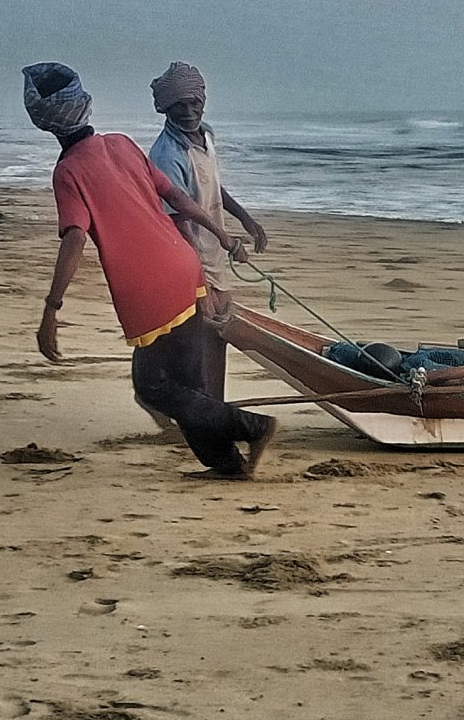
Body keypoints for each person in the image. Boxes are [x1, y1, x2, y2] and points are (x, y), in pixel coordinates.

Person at [23, 63, 277, 480]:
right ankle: (228, 464)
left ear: (43, 123)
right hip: (185, 265)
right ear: (84, 105)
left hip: (148, 284)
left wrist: (52, 309)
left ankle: (251, 426)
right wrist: (223, 234)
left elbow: (74, 239)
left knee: (153, 387)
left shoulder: (68, 171)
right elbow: (177, 197)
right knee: (179, 382)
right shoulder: (121, 144)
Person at [147, 61, 269, 397]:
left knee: (218, 336)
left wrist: (245, 218)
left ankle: (213, 406)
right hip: (190, 258)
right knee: (204, 339)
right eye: (179, 106)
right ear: (165, 109)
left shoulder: (207, 135)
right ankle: (200, 410)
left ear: (203, 100)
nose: (188, 112)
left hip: (214, 254)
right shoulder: (167, 155)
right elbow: (178, 219)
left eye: (194, 103)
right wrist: (199, 278)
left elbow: (213, 187)